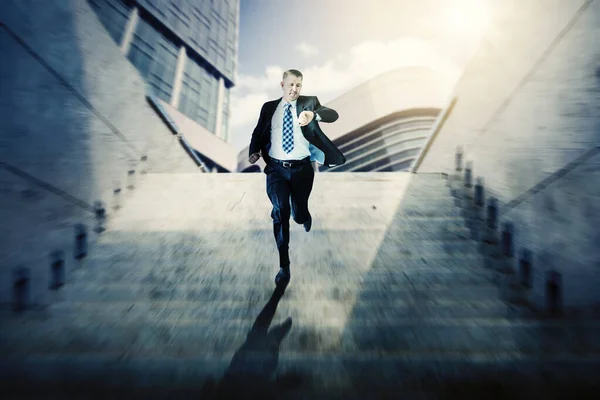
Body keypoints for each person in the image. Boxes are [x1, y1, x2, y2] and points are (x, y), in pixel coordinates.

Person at [248, 69, 346, 286]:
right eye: (291, 84)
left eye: (298, 85)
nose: (294, 89)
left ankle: (303, 215)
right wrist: (254, 151)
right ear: (282, 84)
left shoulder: (310, 103)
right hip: (276, 170)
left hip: (302, 170)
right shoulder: (268, 108)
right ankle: (284, 265)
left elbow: (333, 114)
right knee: (280, 211)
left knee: (298, 214)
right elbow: (257, 132)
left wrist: (314, 115)